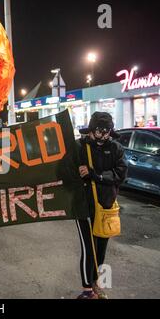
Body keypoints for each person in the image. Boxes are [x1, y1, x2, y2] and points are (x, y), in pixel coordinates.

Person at [75, 112, 127, 299]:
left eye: (106, 132)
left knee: (101, 249)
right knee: (88, 248)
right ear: (91, 129)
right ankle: (87, 290)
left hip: (105, 206)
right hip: (83, 206)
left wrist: (95, 175)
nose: (102, 135)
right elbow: (64, 171)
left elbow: (120, 174)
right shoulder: (79, 146)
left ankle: (97, 285)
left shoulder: (116, 148)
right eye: (99, 131)